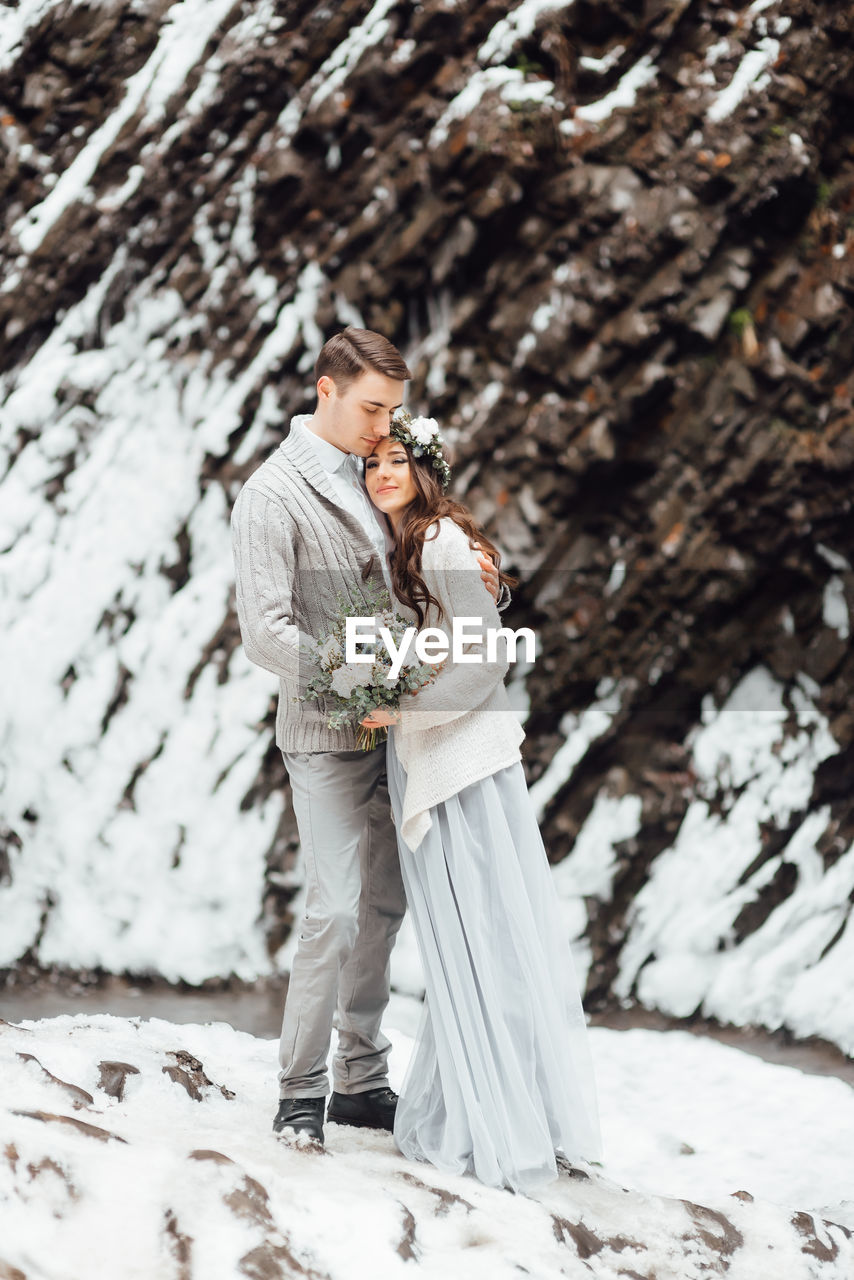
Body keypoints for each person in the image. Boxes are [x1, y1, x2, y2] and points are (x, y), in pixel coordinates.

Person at [230, 327, 507, 1147]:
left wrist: (474, 577)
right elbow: (264, 633)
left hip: (401, 735)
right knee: (336, 908)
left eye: (392, 409)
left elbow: (417, 564)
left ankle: (361, 1079)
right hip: (322, 734)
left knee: (384, 907)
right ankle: (300, 1091)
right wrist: (358, 677)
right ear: (327, 390)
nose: (385, 425)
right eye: (373, 406)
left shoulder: (370, 468)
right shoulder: (270, 497)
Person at [358, 418, 603, 1193]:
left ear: (425, 470)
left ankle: (494, 1123)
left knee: (476, 940)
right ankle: (484, 1107)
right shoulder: (413, 544)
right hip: (438, 755)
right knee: (464, 943)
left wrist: (401, 710)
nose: (382, 475)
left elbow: (487, 656)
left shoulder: (439, 543)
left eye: (398, 461)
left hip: (459, 761)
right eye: (372, 464)